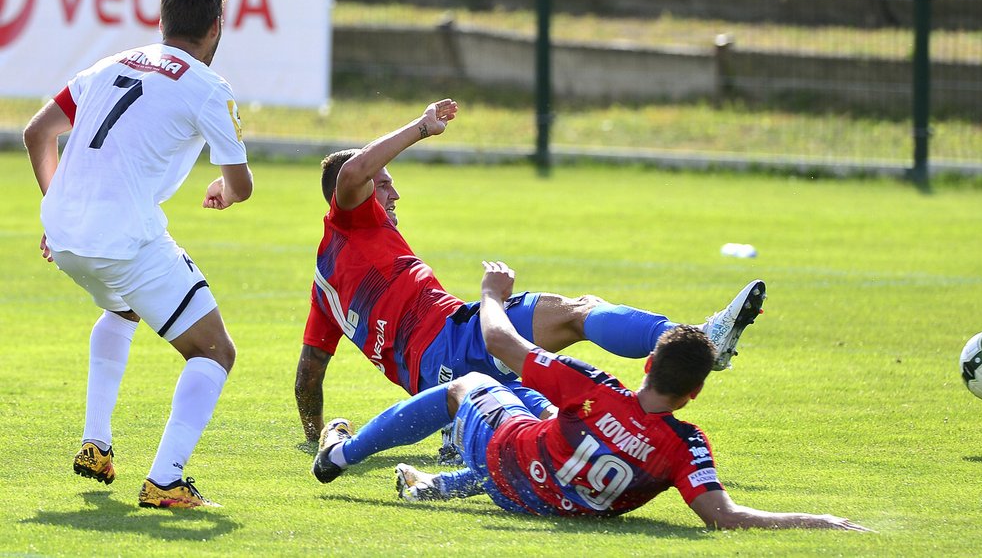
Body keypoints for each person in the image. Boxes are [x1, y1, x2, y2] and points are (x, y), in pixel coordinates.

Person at [294, 101, 767, 452]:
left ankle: (465, 435)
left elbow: (308, 376)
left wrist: (315, 435)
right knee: (577, 315)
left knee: (559, 422)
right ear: (351, 196)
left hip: (439, 379)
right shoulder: (352, 220)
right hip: (458, 339)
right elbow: (355, 170)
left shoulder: (325, 287)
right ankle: (700, 339)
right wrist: (421, 126)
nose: (394, 192)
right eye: (383, 184)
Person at [310, 262, 871, 531]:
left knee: (471, 386)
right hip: (559, 498)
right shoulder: (687, 445)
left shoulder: (596, 390)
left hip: (513, 475)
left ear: (647, 364)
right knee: (541, 409)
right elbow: (726, 516)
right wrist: (821, 521)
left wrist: (490, 292)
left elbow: (499, 340)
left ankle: (339, 455)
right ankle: (441, 484)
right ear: (694, 393)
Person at [23, 0, 253, 509]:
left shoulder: (111, 63)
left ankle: (96, 446)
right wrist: (223, 187)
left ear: (161, 21)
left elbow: (37, 132)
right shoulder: (209, 88)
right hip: (123, 238)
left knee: (123, 309)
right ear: (218, 26)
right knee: (215, 350)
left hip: (66, 233)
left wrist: (63, 211)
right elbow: (241, 184)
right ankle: (166, 481)